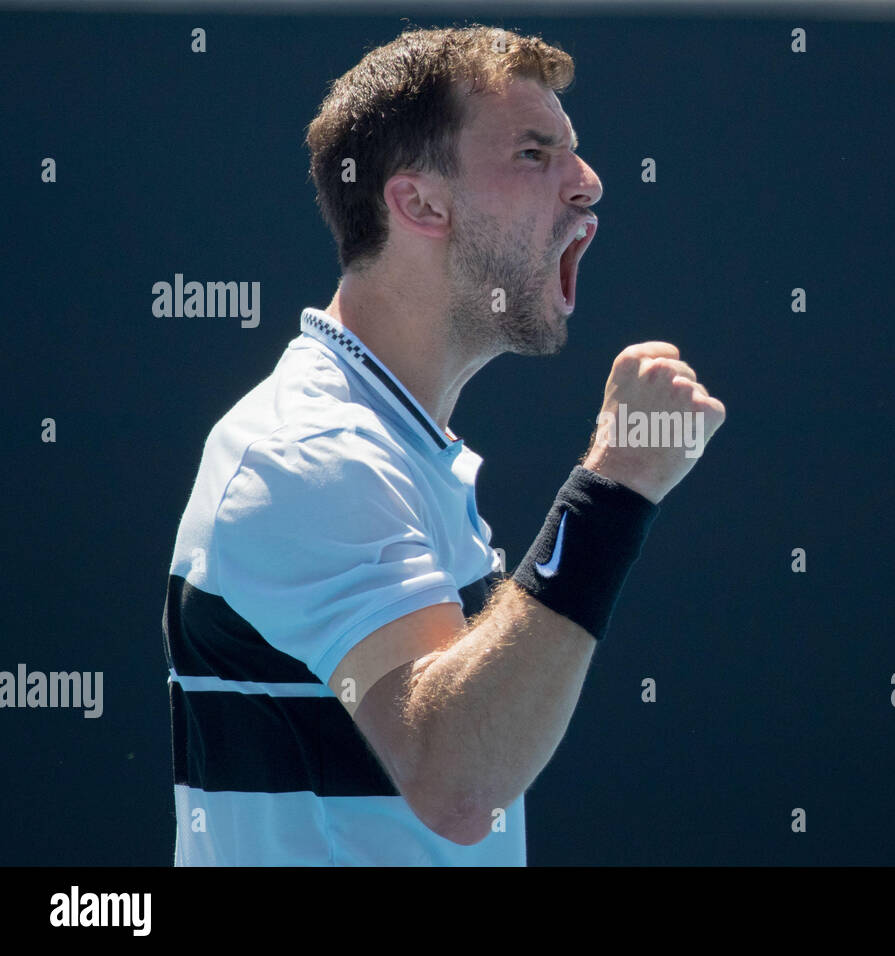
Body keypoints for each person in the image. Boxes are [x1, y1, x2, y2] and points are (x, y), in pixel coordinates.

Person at [161, 24, 725, 865]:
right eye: (535, 154)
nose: (587, 183)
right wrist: (616, 485)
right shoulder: (309, 451)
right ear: (419, 203)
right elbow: (456, 781)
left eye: (573, 150)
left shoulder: (395, 445)